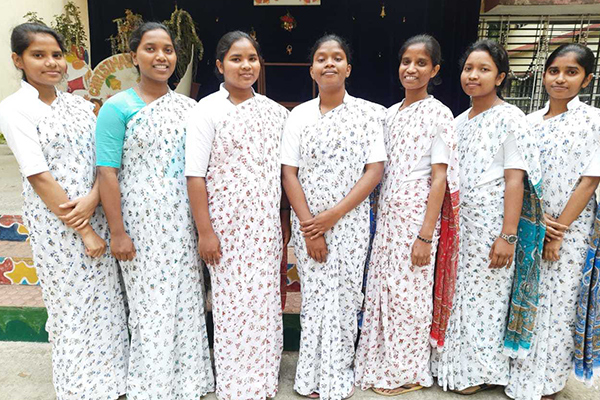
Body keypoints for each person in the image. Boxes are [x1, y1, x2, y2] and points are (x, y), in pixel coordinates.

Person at [0, 23, 128, 400]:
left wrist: (94, 199)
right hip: (57, 224)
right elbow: (38, 175)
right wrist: (84, 229)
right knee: (72, 303)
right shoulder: (15, 109)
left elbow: (104, 160)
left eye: (56, 55)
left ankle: (112, 382)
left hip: (96, 211)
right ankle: (81, 388)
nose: (51, 63)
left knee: (106, 299)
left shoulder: (80, 105)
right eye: (38, 55)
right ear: (18, 60)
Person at [95, 22, 214, 399]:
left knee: (186, 299)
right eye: (151, 49)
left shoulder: (190, 109)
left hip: (183, 220)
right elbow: (107, 172)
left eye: (168, 50)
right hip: (140, 222)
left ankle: (189, 381)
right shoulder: (116, 108)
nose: (161, 57)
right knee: (149, 304)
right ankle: (154, 385)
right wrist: (117, 232)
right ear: (134, 56)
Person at [431, 39, 543, 395]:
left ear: (500, 77)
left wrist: (508, 235)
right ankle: (453, 367)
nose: (473, 76)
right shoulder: (458, 122)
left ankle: (479, 372)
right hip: (459, 223)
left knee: (487, 297)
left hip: (492, 223)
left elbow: (515, 180)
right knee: (458, 293)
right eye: (468, 68)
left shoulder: (511, 119)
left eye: (484, 69)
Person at [185, 30, 290, 400]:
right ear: (219, 65)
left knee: (264, 304)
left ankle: (264, 379)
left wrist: (284, 221)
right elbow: (195, 176)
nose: (245, 66)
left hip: (264, 229)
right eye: (236, 59)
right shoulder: (206, 111)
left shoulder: (276, 114)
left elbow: (284, 175)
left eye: (252, 58)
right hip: (225, 229)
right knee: (231, 306)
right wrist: (205, 232)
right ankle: (235, 382)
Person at [281, 34, 386, 400]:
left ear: (348, 68)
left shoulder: (367, 114)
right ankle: (309, 377)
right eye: (322, 58)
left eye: (337, 57)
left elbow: (374, 170)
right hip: (308, 225)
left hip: (350, 223)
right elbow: (289, 173)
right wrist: (312, 228)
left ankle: (337, 374)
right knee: (313, 300)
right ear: (312, 70)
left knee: (344, 299)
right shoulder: (299, 115)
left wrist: (334, 215)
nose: (329, 63)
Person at [354, 34, 459, 396]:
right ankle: (382, 362)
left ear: (435, 70)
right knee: (384, 290)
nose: (411, 69)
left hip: (416, 217)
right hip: (388, 216)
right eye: (406, 62)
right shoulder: (389, 114)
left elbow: (440, 177)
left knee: (409, 296)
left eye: (421, 63)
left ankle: (408, 371)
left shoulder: (439, 114)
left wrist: (426, 235)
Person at [505, 43, 600, 400]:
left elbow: (590, 179)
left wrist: (558, 229)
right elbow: (519, 177)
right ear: (543, 75)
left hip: (571, 228)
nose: (560, 79)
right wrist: (537, 218)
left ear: (586, 79)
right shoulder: (529, 123)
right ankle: (521, 375)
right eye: (554, 71)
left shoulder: (594, 121)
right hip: (532, 222)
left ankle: (549, 382)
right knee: (528, 295)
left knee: (560, 302)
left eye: (571, 72)